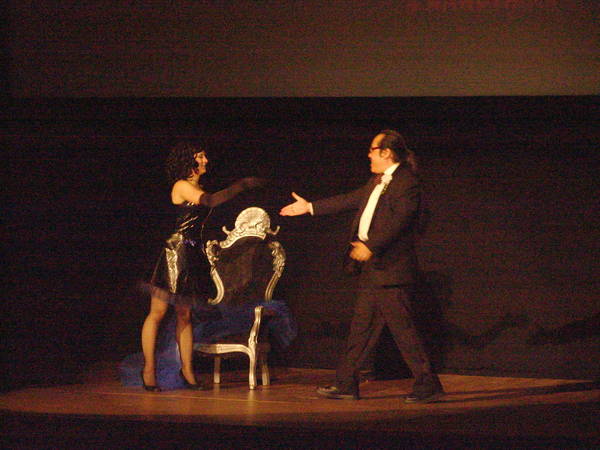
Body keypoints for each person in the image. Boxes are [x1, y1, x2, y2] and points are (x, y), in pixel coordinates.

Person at [280, 130, 443, 403]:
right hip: (374, 269)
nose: (368, 155)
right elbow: (349, 199)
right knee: (361, 329)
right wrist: (310, 207)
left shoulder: (406, 182)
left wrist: (371, 246)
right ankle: (346, 384)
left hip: (391, 269)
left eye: (372, 149)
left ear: (386, 152)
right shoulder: (376, 181)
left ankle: (428, 384)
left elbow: (401, 220)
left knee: (403, 330)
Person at [140, 141, 262, 391]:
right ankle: (149, 369)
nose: (205, 160)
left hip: (191, 252)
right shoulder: (182, 185)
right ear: (189, 161)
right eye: (200, 156)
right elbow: (210, 201)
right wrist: (241, 185)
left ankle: (188, 371)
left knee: (185, 315)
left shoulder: (197, 186)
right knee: (158, 312)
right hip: (175, 253)